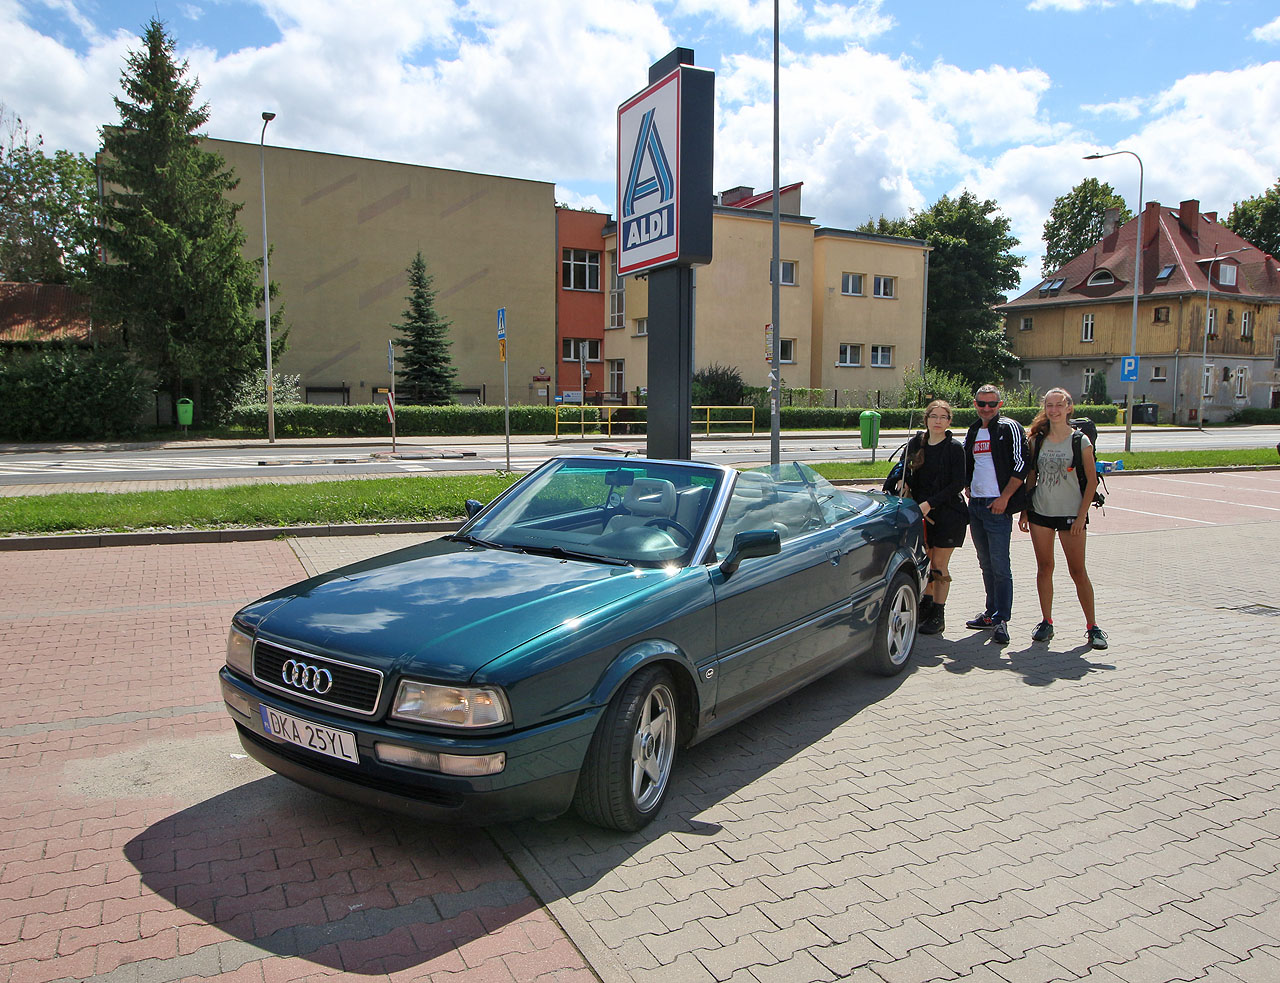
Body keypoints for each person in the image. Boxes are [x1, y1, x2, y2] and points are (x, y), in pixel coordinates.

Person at [1018, 388, 1108, 650]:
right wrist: (1025, 510)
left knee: (1078, 571)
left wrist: (1082, 516)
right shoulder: (1037, 440)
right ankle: (1046, 621)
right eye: (1049, 405)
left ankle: (1092, 626)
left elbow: (1091, 481)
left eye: (1059, 405)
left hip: (1071, 515)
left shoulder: (1080, 441)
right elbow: (1032, 476)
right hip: (1041, 513)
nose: (1054, 410)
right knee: (1044, 568)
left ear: (1069, 407)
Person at [962, 384, 1029, 645]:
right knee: (985, 563)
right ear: (975, 404)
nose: (986, 408)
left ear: (1000, 405)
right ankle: (990, 613)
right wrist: (968, 484)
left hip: (998, 505)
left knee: (1001, 566)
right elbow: (970, 460)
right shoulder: (973, 429)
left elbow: (1022, 463)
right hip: (976, 505)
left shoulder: (1009, 427)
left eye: (992, 404)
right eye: (982, 403)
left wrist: (1005, 498)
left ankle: (1002, 619)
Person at [902, 400, 967, 635]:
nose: (938, 421)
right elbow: (904, 468)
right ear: (926, 419)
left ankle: (939, 613)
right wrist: (902, 480)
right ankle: (926, 605)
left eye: (943, 417)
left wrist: (930, 504)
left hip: (948, 514)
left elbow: (958, 483)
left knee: (939, 565)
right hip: (920, 512)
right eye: (933, 416)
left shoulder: (954, 448)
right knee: (925, 561)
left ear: (949, 421)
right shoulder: (917, 443)